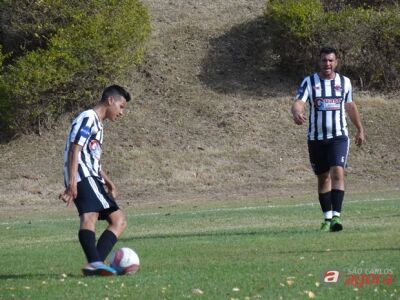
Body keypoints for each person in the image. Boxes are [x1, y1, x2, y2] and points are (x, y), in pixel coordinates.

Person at [291, 47, 365, 232]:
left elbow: (349, 106)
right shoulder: (310, 82)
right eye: (324, 60)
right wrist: (297, 112)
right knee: (323, 178)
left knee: (337, 172)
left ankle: (337, 218)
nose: (327, 64)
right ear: (320, 61)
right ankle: (327, 218)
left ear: (336, 62)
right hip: (316, 138)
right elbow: (299, 101)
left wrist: (360, 129)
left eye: (331, 60)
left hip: (338, 136)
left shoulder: (344, 82)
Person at [60, 85, 131, 275]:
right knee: (89, 217)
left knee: (119, 221)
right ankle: (95, 264)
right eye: (121, 106)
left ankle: (96, 264)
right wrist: (72, 182)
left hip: (92, 176)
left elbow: (93, 158)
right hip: (83, 175)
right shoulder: (87, 118)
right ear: (110, 101)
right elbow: (75, 149)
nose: (121, 112)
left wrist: (109, 182)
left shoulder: (99, 126)